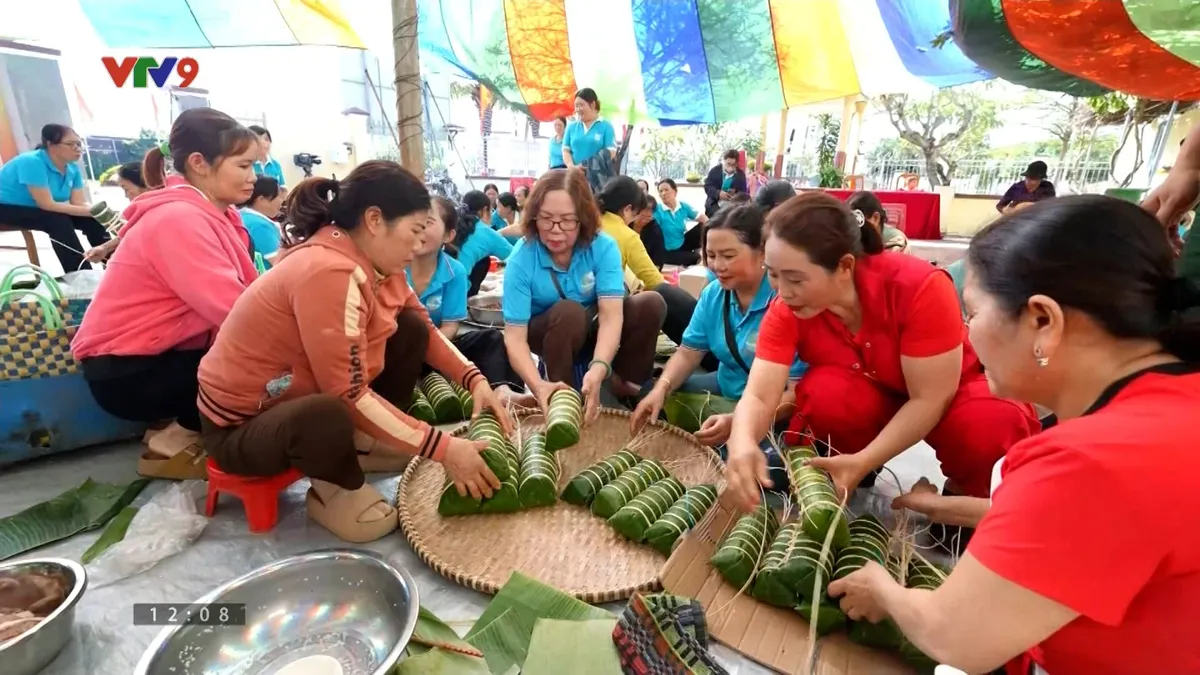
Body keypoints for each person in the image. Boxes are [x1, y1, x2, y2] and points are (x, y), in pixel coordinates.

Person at [829, 195, 1200, 675]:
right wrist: (938, 508)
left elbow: (958, 637)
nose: (967, 331)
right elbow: (1090, 532)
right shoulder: (1172, 401)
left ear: (1042, 320)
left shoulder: (1093, 461)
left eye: (973, 312)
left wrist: (884, 589)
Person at [197, 161, 510, 543]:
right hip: (243, 429)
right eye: (413, 231)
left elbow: (424, 329)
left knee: (407, 329)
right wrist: (443, 449)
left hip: (304, 399)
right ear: (374, 220)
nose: (416, 247)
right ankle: (334, 487)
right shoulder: (330, 271)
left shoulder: (376, 260)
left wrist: (474, 380)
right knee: (328, 410)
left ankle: (362, 444)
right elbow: (345, 393)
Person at [722, 192, 1040, 515]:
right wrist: (743, 438)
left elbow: (930, 398)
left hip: (948, 392)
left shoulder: (917, 286)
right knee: (827, 394)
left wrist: (866, 457)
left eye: (795, 279)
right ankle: (857, 467)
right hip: (875, 389)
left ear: (845, 266)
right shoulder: (787, 308)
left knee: (988, 424)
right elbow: (761, 395)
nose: (781, 291)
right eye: (772, 275)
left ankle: (964, 492)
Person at [71, 108, 260, 480]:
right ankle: (174, 439)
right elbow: (236, 310)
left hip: (155, 357)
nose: (254, 177)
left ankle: (179, 426)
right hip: (128, 374)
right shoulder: (179, 220)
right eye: (244, 166)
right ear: (199, 163)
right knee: (267, 371)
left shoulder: (211, 214)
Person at [632, 205, 805, 477]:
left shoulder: (785, 301)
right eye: (711, 255)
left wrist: (740, 421)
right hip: (726, 387)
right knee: (650, 395)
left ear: (762, 252)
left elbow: (796, 394)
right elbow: (689, 353)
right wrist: (661, 388)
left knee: (774, 472)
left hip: (774, 409)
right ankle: (722, 439)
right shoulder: (714, 294)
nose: (717, 265)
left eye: (728, 255)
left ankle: (738, 441)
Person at [502, 169, 665, 419]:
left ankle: (623, 385)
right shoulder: (521, 259)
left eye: (568, 220)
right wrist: (537, 386)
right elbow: (514, 338)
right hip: (548, 332)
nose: (556, 230)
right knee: (569, 312)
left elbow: (611, 316)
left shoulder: (602, 246)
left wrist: (599, 367)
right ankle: (561, 395)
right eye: (546, 219)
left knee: (650, 303)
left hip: (592, 326)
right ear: (533, 217)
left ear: (584, 218)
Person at [410, 196, 525, 395]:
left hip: (438, 346)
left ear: (448, 235)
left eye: (428, 222)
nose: (419, 228)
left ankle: (503, 392)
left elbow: (450, 327)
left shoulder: (455, 272)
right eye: (414, 221)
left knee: (492, 339)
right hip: (396, 349)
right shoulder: (393, 266)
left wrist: (427, 350)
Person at [597, 176, 699, 360]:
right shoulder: (626, 235)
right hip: (604, 308)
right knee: (662, 298)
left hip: (576, 301)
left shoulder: (586, 223)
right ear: (628, 209)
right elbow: (654, 281)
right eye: (637, 213)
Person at [0, 123, 110, 273]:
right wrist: (90, 211)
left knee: (93, 219)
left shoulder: (72, 168)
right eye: (71, 144)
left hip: (38, 209)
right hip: (5, 208)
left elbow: (78, 202)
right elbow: (47, 205)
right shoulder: (32, 162)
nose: (78, 148)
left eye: (79, 144)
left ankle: (116, 268)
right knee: (56, 220)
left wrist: (98, 212)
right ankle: (81, 276)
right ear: (51, 144)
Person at [454, 189, 513, 296]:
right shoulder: (486, 232)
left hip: (436, 283)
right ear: (484, 210)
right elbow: (515, 256)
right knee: (484, 261)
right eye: (491, 211)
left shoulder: (453, 222)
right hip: (458, 290)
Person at [655, 178, 708, 265]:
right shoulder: (657, 210)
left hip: (681, 243)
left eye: (666, 190)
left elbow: (702, 217)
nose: (663, 193)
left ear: (675, 191)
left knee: (704, 226)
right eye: (660, 191)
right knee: (695, 258)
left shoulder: (683, 206)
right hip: (667, 250)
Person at [561, 88, 617, 171]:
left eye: (581, 105)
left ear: (592, 105)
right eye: (576, 106)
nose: (578, 109)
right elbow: (565, 150)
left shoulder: (606, 126)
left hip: (598, 177)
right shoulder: (571, 127)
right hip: (575, 175)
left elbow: (611, 152)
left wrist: (588, 165)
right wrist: (571, 166)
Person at [239, 175, 285, 270]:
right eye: (279, 196)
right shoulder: (259, 226)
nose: (282, 201)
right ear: (262, 199)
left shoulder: (242, 216)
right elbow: (281, 263)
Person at [703, 149, 747, 217]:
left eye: (733, 165)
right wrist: (718, 193)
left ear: (737, 164)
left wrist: (735, 196)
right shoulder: (715, 171)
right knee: (717, 215)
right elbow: (707, 187)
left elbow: (744, 192)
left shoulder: (740, 174)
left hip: (733, 203)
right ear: (724, 161)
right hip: (714, 201)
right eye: (728, 164)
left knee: (735, 215)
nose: (730, 166)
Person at [247, 125, 286, 191]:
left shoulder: (275, 164)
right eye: (259, 139)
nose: (265, 143)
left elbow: (283, 187)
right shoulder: (247, 164)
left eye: (267, 139)